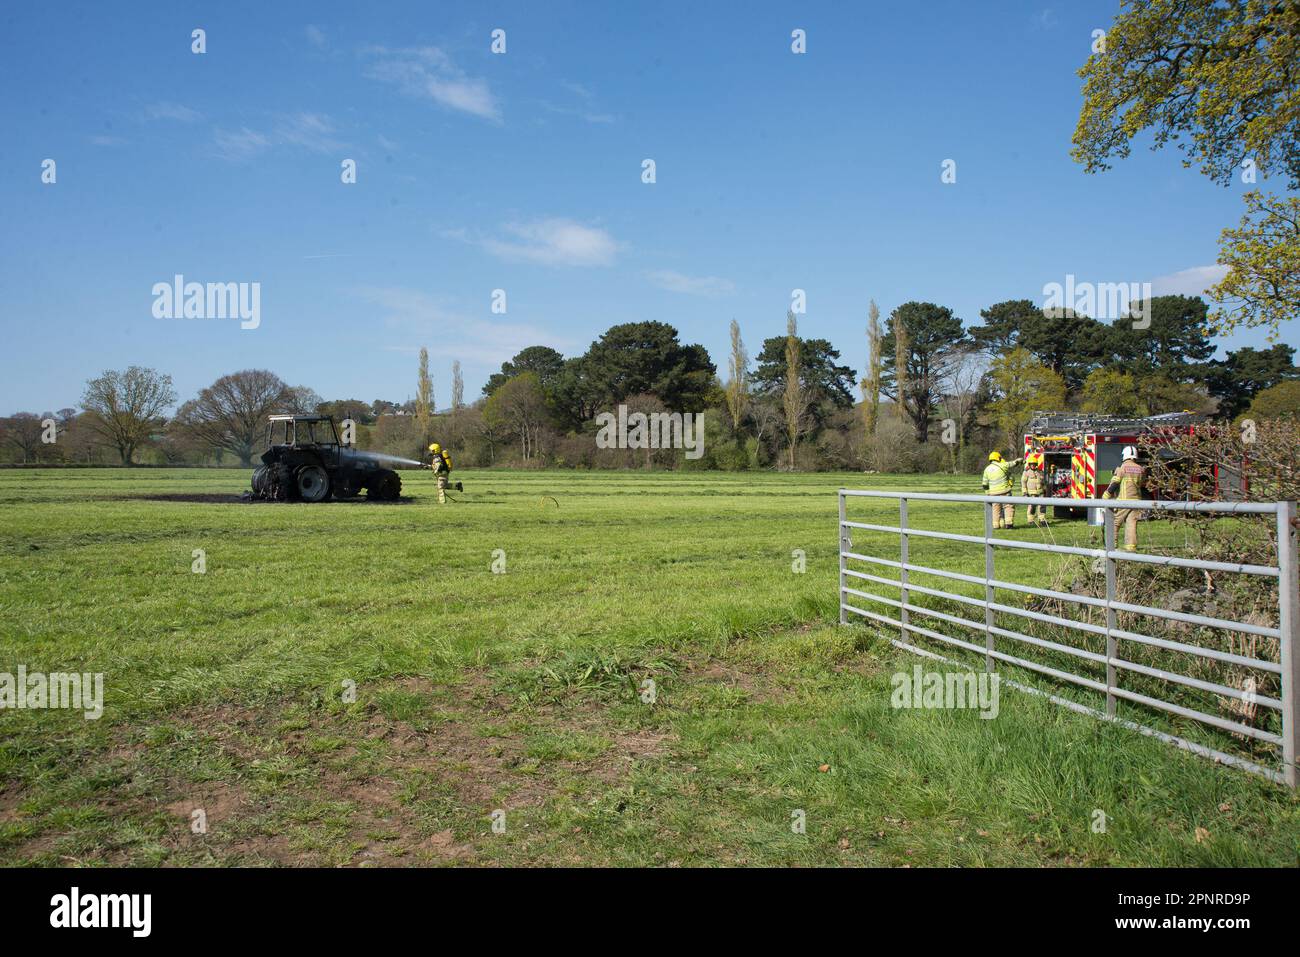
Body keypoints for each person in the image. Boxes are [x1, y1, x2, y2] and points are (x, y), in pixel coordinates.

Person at [1102, 445, 1145, 552]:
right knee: (1132, 524)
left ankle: (1112, 546)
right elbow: (1142, 484)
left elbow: (1115, 483)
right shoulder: (1141, 469)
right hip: (1137, 502)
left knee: (1115, 522)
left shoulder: (1122, 468)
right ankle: (1131, 549)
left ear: (1124, 456)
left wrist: (1106, 495)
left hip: (1124, 501)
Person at [982, 450, 1022, 529]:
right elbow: (1012, 464)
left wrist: (988, 493)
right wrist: (1019, 460)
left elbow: (985, 484)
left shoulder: (987, 469)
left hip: (993, 493)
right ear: (998, 458)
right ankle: (1009, 524)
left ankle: (996, 525)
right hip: (1004, 491)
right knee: (1008, 506)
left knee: (995, 509)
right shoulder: (1002, 465)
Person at [1021, 452, 1047, 525]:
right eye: (1031, 464)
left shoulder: (1040, 472)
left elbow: (1043, 482)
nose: (1033, 465)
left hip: (1040, 493)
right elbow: (1023, 483)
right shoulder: (1026, 473)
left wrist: (1044, 490)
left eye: (1034, 464)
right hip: (1031, 493)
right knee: (1032, 507)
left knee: (1042, 506)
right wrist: (1024, 492)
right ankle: (1030, 520)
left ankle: (1042, 520)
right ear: (1029, 465)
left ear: (1036, 465)